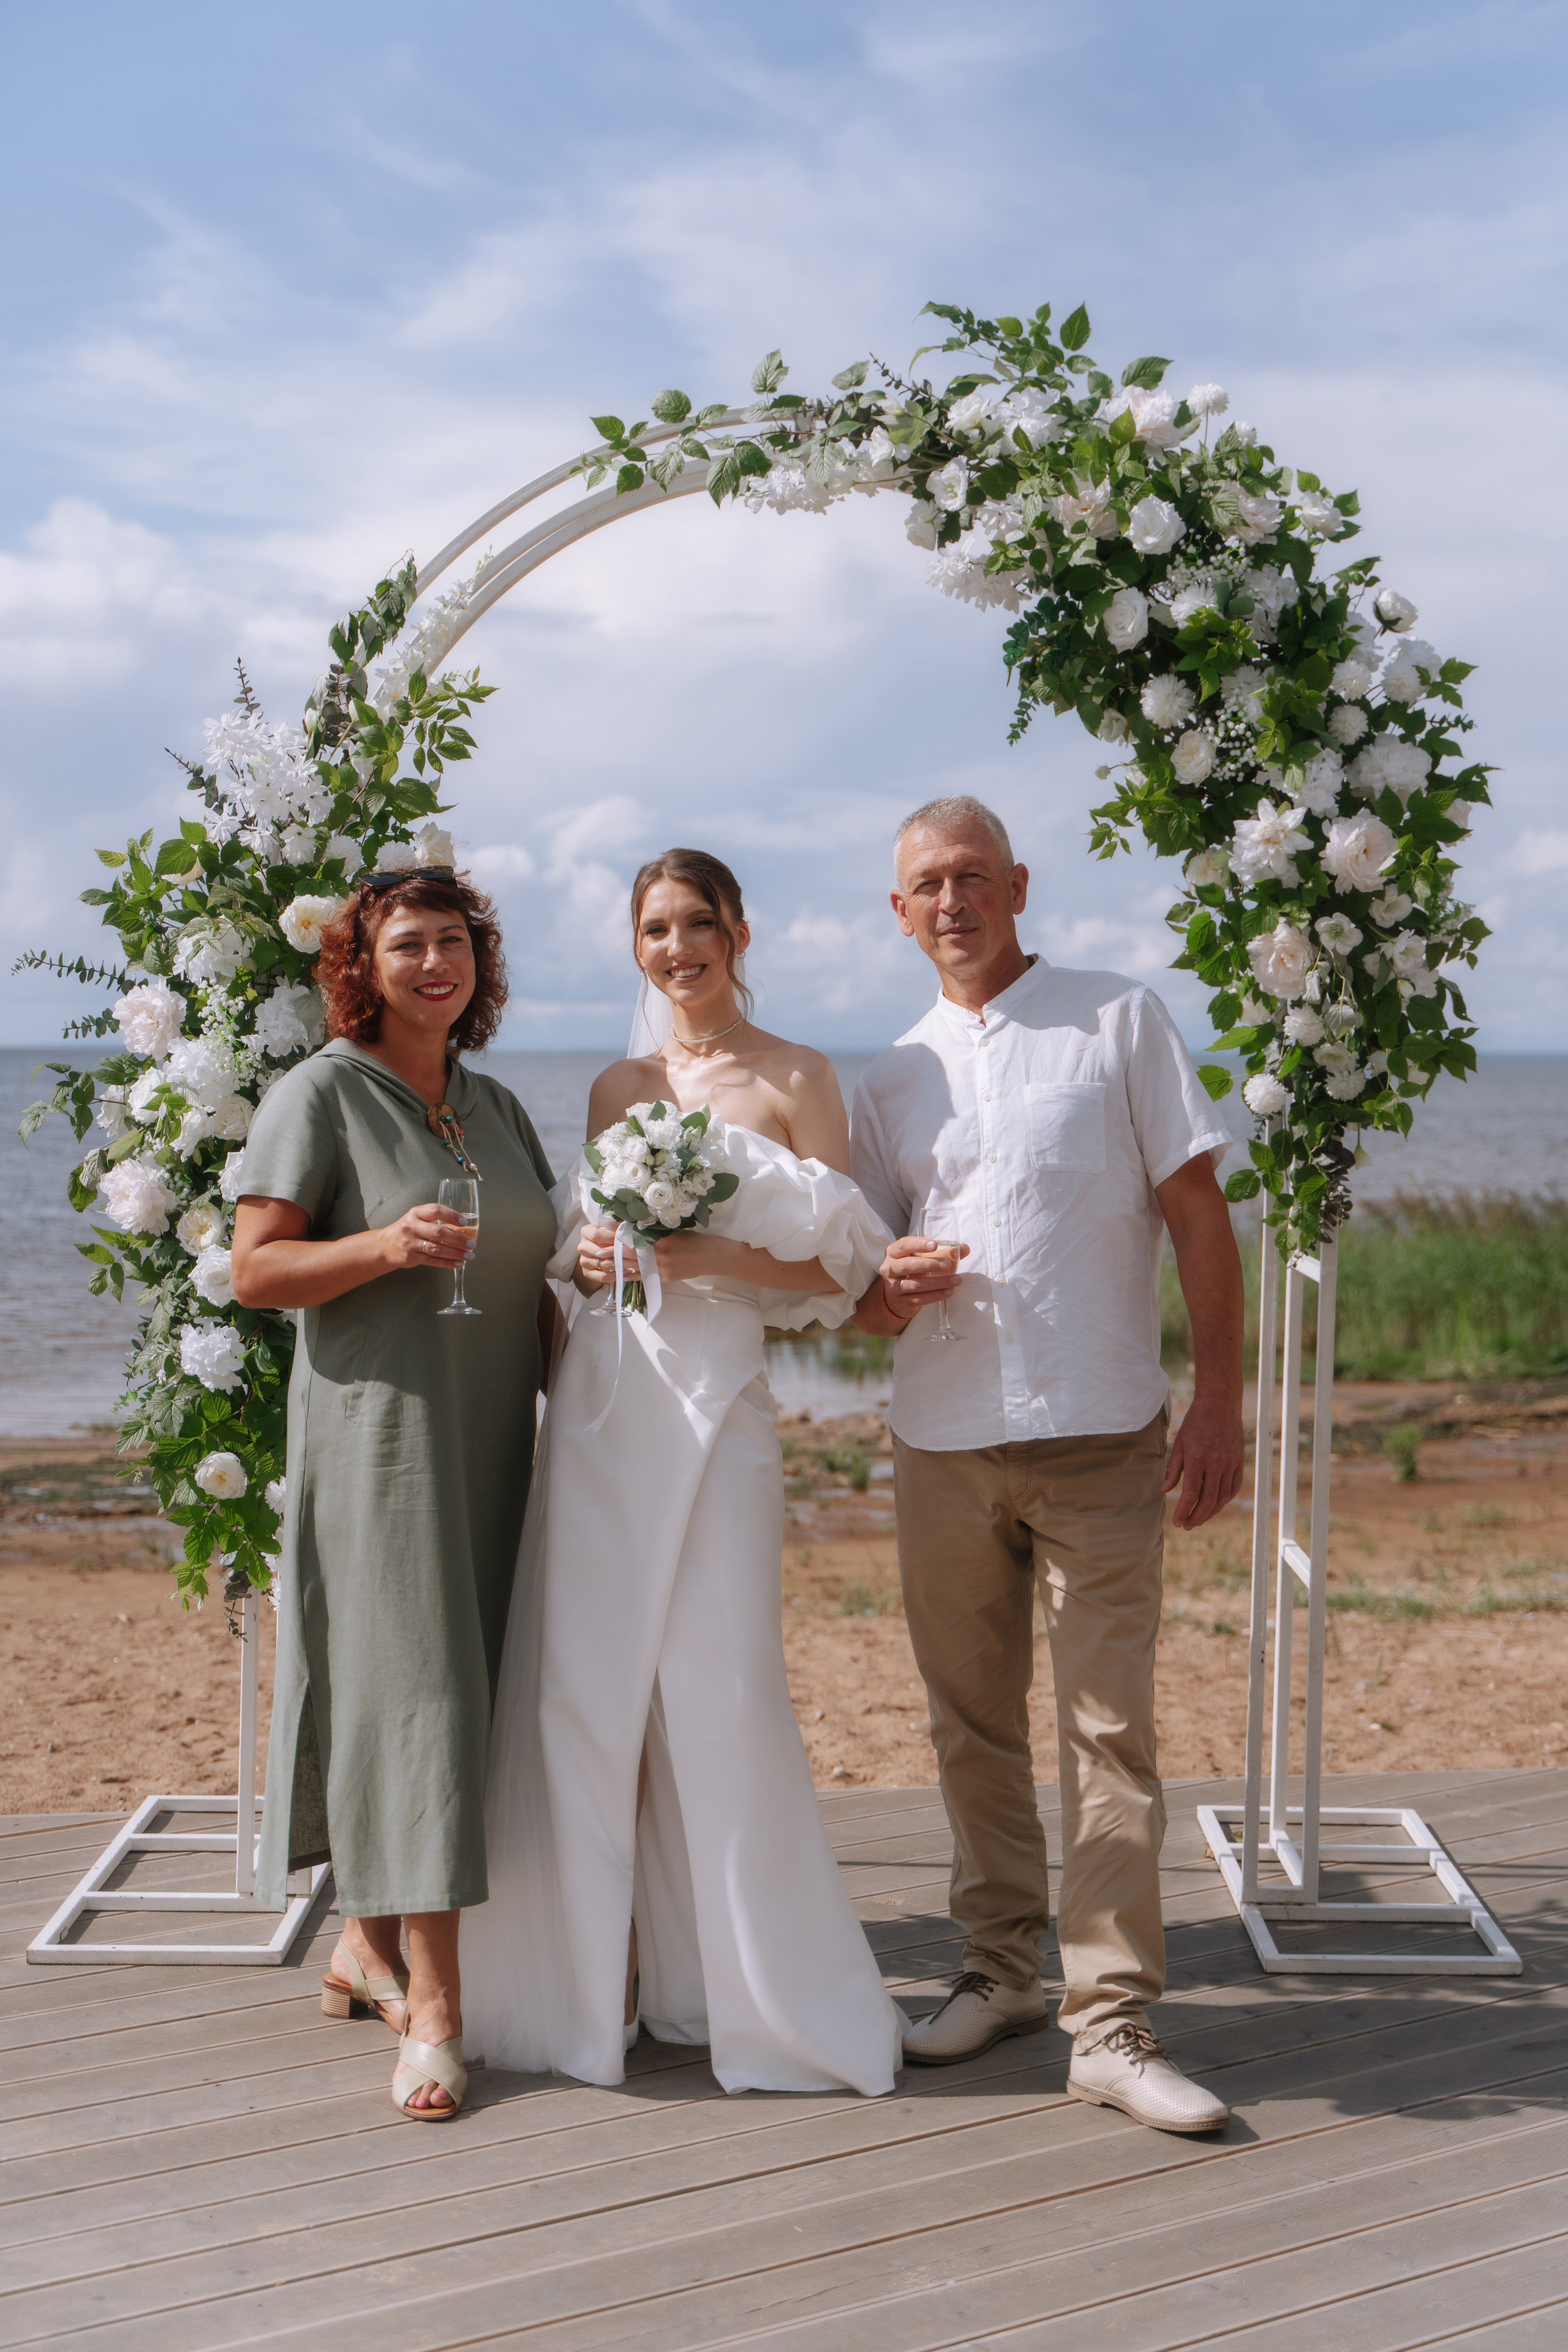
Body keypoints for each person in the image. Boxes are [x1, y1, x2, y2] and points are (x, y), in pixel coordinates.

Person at [462, 847, 901, 2096]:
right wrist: (593, 1261)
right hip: (608, 1404)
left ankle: (752, 1997)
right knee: (585, 1693)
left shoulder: (800, 1076)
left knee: (723, 1685)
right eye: (654, 930)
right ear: (637, 948)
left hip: (721, 1401)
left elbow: (841, 1270)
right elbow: (584, 1251)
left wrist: (711, 1258)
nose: (675, 950)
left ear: (737, 932)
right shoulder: (619, 1085)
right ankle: (589, 1989)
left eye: (695, 924)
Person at [850, 796, 1243, 2136]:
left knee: (1109, 1733)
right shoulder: (889, 1079)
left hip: (1102, 1435)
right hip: (940, 1441)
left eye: (971, 876)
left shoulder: (1118, 1019)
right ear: (898, 913)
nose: (950, 901)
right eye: (925, 885)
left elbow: (1197, 1213)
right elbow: (862, 1295)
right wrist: (888, 1289)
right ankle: (1001, 1969)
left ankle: (1112, 2020)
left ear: (1016, 885)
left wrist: (1220, 1405)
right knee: (968, 1725)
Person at [233, 869, 558, 2122]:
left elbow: (540, 1276)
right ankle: (434, 2005)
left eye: (454, 941)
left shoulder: (494, 1105)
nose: (436, 963)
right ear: (361, 967)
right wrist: (382, 1245)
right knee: (421, 1698)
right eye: (408, 944)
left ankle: (362, 1947)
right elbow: (254, 1271)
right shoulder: (318, 1094)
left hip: (499, 1444)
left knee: (470, 1688)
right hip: (386, 1449)